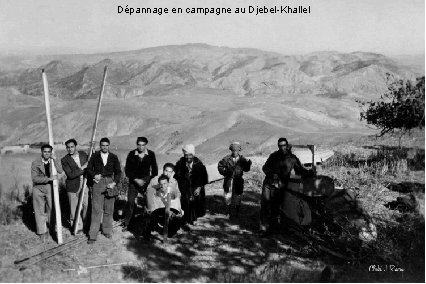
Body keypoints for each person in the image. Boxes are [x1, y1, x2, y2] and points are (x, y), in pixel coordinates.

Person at [260, 138, 315, 235]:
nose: (282, 148)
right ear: (278, 146)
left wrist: (311, 173)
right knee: (266, 206)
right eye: (280, 146)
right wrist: (272, 174)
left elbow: (300, 170)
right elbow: (265, 168)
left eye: (284, 145)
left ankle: (273, 229)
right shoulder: (273, 156)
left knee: (276, 207)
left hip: (281, 186)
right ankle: (263, 229)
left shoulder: (293, 158)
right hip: (269, 184)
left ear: (287, 145)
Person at [86, 137, 122, 244]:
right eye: (103, 145)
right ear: (100, 146)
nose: (104, 147)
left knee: (109, 209)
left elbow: (118, 172)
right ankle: (93, 235)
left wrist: (114, 182)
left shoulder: (113, 157)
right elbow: (88, 169)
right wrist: (94, 175)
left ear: (109, 146)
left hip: (110, 182)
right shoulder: (95, 156)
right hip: (98, 183)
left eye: (106, 145)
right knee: (96, 209)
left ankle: (106, 231)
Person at [123, 137, 158, 232]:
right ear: (136, 144)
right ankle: (127, 224)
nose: (141, 147)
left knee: (147, 204)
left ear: (146, 145)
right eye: (139, 144)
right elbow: (127, 171)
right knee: (130, 203)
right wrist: (136, 179)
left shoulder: (151, 154)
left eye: (143, 145)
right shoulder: (131, 154)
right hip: (133, 183)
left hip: (146, 183)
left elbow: (155, 171)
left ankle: (147, 226)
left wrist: (146, 180)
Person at [30, 144, 63, 241]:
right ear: (41, 152)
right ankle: (41, 232)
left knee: (52, 209)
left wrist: (55, 159)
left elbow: (60, 171)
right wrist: (49, 178)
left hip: (49, 188)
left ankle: (52, 229)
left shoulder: (53, 161)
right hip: (38, 188)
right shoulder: (35, 163)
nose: (47, 154)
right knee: (39, 210)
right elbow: (35, 179)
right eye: (45, 152)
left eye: (49, 152)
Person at [174, 144, 208, 229]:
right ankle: (186, 219)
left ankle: (193, 218)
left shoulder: (198, 164)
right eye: (186, 155)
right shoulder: (181, 162)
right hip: (184, 187)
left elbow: (204, 177)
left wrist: (199, 187)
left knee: (195, 202)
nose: (188, 157)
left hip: (195, 187)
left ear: (193, 154)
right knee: (185, 201)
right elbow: (177, 175)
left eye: (190, 155)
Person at [61, 138, 89, 234]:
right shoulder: (64, 160)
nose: (70, 149)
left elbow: (91, 161)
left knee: (86, 205)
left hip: (85, 184)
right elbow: (71, 175)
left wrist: (93, 148)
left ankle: (84, 225)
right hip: (72, 186)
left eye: (72, 147)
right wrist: (83, 168)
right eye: (68, 147)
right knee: (74, 208)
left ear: (75, 146)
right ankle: (77, 227)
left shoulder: (83, 154)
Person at [144, 173, 183, 240]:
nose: (163, 186)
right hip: (160, 209)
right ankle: (147, 233)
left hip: (171, 209)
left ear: (168, 183)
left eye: (165, 183)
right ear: (159, 184)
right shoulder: (157, 192)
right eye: (161, 184)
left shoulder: (173, 191)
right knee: (150, 216)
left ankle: (172, 230)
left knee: (172, 231)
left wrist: (176, 212)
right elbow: (154, 203)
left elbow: (177, 204)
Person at [218, 141, 252, 217]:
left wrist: (248, 165)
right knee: (227, 196)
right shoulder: (226, 159)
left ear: (239, 150)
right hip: (228, 180)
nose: (235, 152)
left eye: (236, 150)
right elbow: (220, 166)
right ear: (231, 150)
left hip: (238, 180)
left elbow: (246, 169)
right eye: (233, 150)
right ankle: (228, 212)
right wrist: (225, 172)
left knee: (238, 196)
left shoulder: (242, 159)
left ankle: (236, 213)